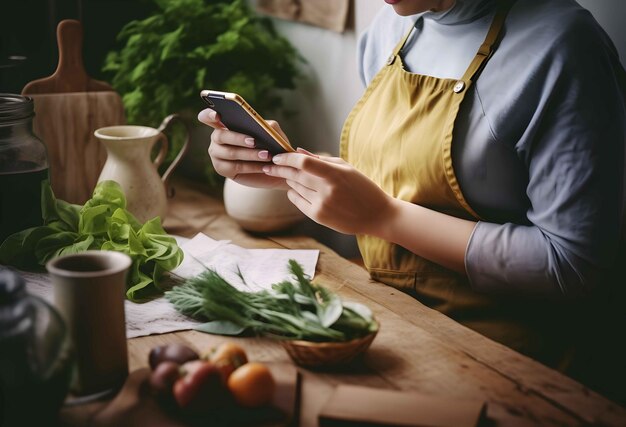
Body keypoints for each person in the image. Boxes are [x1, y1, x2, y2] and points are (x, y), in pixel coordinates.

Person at [199, 0, 626, 402]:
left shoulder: (564, 48)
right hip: (392, 322)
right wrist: (285, 167)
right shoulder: (392, 25)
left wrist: (383, 216)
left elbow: (570, 266)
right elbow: (399, 180)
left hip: (510, 363)